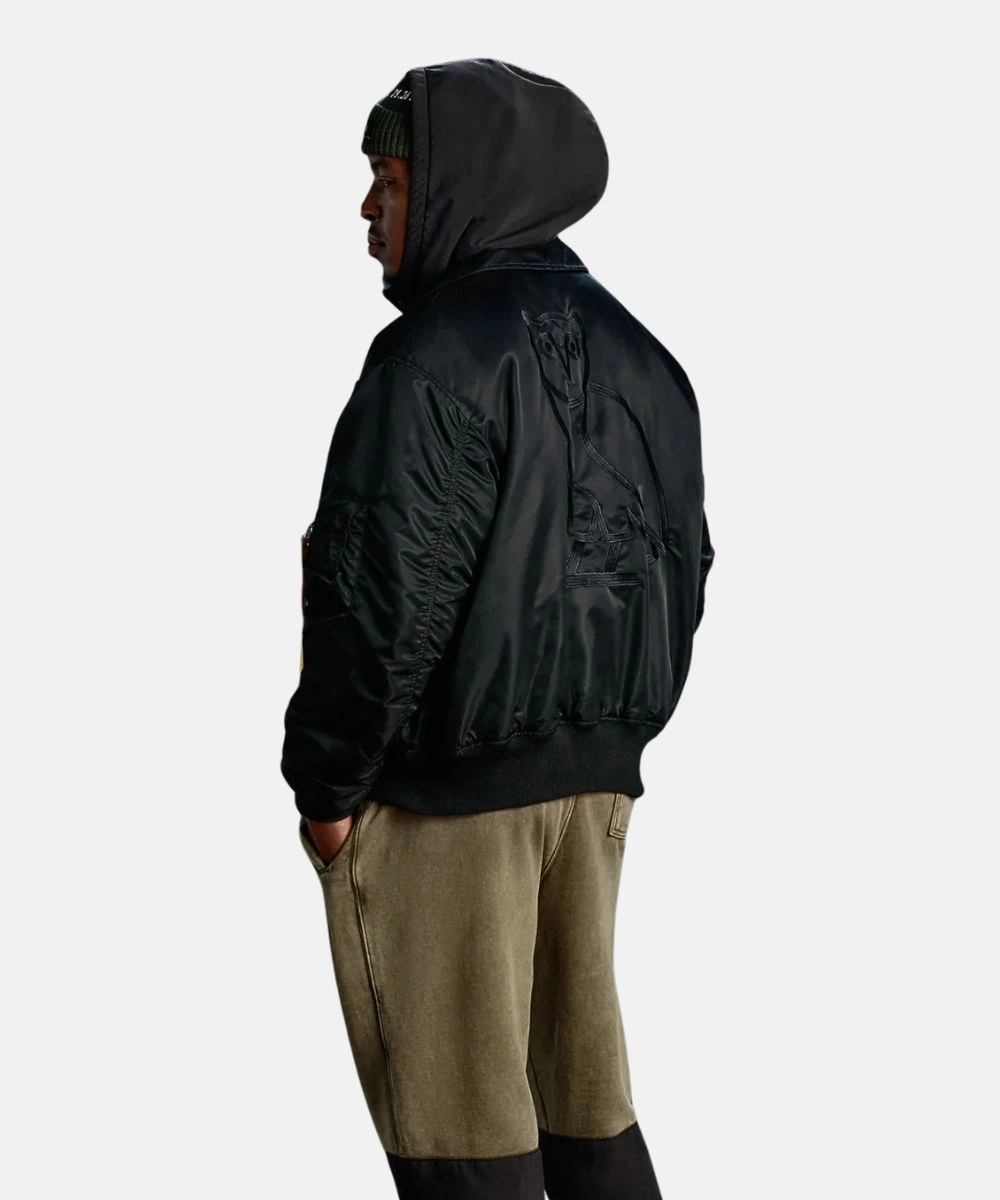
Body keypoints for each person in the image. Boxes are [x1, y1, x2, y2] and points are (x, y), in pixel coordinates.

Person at [281, 56, 715, 1200]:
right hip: (595, 796)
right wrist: (611, 743)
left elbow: (379, 590)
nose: (367, 207)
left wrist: (326, 789)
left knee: (464, 1149)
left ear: (457, 189)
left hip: (445, 805)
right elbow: (684, 566)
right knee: (586, 1118)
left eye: (389, 181)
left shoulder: (431, 360)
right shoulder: (645, 358)